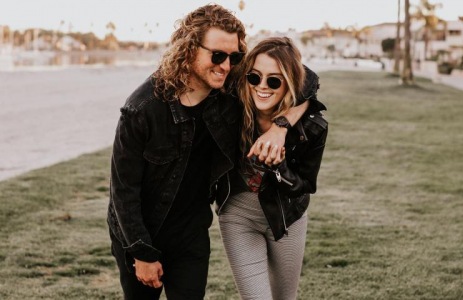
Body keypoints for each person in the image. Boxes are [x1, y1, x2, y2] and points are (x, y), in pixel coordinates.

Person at [107, 5, 312, 299]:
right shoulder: (142, 109)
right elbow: (123, 191)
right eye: (217, 56)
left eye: (235, 57)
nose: (226, 66)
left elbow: (308, 83)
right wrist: (141, 253)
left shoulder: (228, 92)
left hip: (190, 235)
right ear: (189, 50)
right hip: (139, 233)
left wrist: (280, 127)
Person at [217, 37, 328, 300]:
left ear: (289, 84)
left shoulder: (312, 127)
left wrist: (279, 165)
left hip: (288, 218)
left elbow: (305, 186)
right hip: (237, 216)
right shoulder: (233, 105)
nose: (262, 87)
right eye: (254, 77)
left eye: (274, 80)